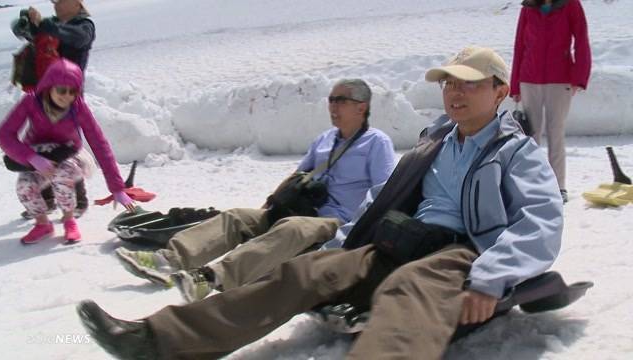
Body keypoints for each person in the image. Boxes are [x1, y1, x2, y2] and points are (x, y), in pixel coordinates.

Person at [77, 46, 563, 360]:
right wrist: (344, 245)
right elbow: (384, 197)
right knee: (303, 272)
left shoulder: (515, 153)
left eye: (470, 83)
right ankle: (161, 339)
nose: (455, 93)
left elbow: (541, 222)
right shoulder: (435, 142)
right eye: (449, 83)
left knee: (409, 288)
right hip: (405, 238)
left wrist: (490, 277)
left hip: (461, 252)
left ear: (500, 91)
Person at [114, 78, 397, 293]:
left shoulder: (377, 143)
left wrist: (356, 232)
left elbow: (383, 192)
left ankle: (212, 278)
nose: (333, 105)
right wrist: (271, 206)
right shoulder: (324, 139)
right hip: (301, 209)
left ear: (362, 107)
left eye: (341, 100)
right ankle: (169, 260)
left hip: (335, 221)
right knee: (237, 217)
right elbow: (299, 175)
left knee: (292, 228)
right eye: (331, 99)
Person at [0, 59, 136, 244]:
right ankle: (42, 224)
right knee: (25, 186)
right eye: (62, 90)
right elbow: (4, 134)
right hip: (39, 156)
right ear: (49, 87)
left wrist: (117, 188)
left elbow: (99, 143)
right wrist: (30, 157)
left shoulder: (78, 107)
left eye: (73, 91)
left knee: (62, 175)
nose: (67, 96)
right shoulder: (31, 102)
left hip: (71, 154)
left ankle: (69, 220)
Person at [510, 0, 591, 203]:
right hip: (529, 79)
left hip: (560, 79)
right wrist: (515, 85)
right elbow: (519, 45)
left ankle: (558, 186)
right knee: (530, 136)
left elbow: (581, 40)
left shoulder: (571, 5)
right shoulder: (528, 8)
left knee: (556, 134)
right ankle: (532, 184)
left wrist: (579, 78)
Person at [21, 0, 96, 218]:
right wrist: (29, 24)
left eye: (60, 1)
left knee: (69, 148)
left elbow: (74, 37)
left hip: (68, 97)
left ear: (76, 3)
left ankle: (78, 200)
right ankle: (45, 200)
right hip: (43, 95)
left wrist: (43, 25)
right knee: (39, 144)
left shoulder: (84, 26)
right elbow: (30, 35)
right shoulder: (52, 23)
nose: (55, 5)